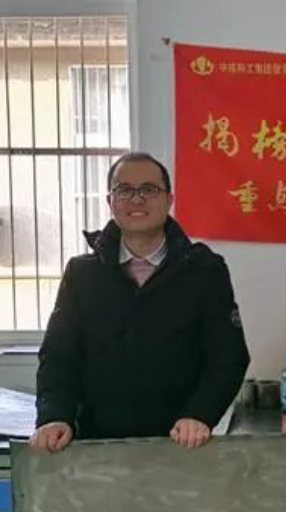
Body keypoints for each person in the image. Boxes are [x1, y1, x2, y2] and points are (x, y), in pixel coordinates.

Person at [30, 152, 250, 451]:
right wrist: (54, 416)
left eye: (149, 189)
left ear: (169, 200)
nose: (137, 199)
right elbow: (58, 357)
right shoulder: (82, 274)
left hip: (182, 443)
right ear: (110, 201)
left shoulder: (204, 271)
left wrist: (200, 415)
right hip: (95, 444)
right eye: (125, 190)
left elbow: (228, 356)